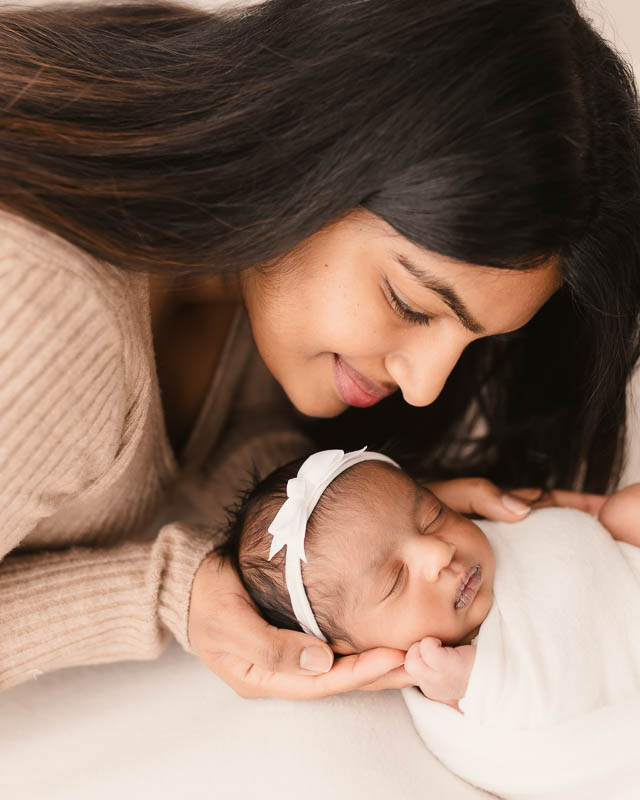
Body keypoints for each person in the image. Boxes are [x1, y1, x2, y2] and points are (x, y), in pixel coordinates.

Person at [1, 0, 639, 697]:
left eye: (477, 340)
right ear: (307, 164)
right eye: (411, 304)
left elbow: (222, 432)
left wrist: (369, 524)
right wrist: (166, 592)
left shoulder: (223, 247)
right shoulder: (45, 313)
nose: (426, 387)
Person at [220, 447, 640, 713]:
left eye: (432, 515)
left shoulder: (485, 539)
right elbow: (517, 722)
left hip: (621, 570)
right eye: (395, 580)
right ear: (347, 652)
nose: (439, 552)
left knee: (624, 511)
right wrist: (463, 686)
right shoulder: (447, 669)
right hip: (618, 668)